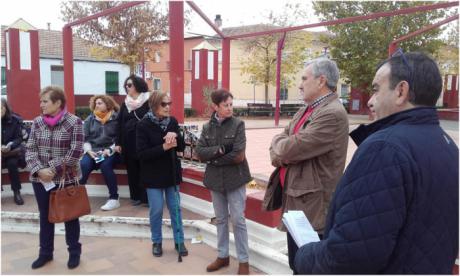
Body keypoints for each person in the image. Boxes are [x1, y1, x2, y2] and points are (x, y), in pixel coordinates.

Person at [293, 51, 459, 274]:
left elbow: (348, 256)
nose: (370, 101)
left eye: (376, 89)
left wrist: (304, 254)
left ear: (401, 91)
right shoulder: (447, 145)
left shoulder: (384, 148)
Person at [269, 57, 349, 273]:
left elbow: (288, 148)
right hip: (297, 203)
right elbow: (283, 143)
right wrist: (281, 148)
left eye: (304, 78)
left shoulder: (331, 113)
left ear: (321, 80)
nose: (300, 84)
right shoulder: (307, 109)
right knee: (297, 264)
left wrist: (281, 149)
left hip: (312, 210)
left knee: (309, 267)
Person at [25, 86, 84, 269]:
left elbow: (75, 152)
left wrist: (51, 168)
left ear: (58, 103)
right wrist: (39, 170)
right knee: (45, 217)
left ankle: (74, 252)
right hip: (41, 180)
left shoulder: (74, 122)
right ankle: (45, 253)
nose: (41, 105)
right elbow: (30, 149)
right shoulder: (37, 122)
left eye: (45, 101)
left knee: (70, 217)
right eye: (41, 101)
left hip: (66, 178)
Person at [195, 89, 252, 275]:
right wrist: (220, 151)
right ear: (215, 106)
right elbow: (200, 153)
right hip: (215, 181)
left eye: (231, 105)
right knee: (220, 220)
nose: (230, 109)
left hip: (235, 179)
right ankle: (223, 256)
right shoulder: (207, 127)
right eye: (225, 105)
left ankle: (244, 261)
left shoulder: (238, 125)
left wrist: (214, 158)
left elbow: (238, 156)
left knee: (238, 220)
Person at [136, 92, 188, 258]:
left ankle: (179, 241)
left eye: (169, 103)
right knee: (156, 210)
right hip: (153, 175)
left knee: (175, 209)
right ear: (154, 105)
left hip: (171, 173)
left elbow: (180, 147)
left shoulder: (172, 121)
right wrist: (163, 147)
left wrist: (176, 136)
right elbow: (141, 154)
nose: (168, 107)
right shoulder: (143, 125)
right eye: (164, 104)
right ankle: (156, 241)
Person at [80, 95, 121, 211]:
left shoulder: (116, 118)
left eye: (100, 103)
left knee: (105, 165)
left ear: (108, 104)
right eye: (96, 103)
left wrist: (110, 150)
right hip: (94, 152)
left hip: (111, 151)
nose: (97, 106)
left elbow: (120, 138)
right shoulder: (90, 119)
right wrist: (89, 151)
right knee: (84, 165)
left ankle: (114, 198)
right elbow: (85, 139)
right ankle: (75, 195)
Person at [115, 74, 150, 206]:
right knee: (132, 170)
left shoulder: (148, 101)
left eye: (130, 85)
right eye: (126, 85)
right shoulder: (125, 103)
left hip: (143, 141)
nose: (127, 87)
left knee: (145, 170)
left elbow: (151, 119)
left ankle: (146, 198)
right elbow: (119, 123)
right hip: (128, 142)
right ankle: (135, 197)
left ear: (138, 85)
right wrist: (118, 142)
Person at [1, 98, 25, 205]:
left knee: (12, 164)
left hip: (10, 152)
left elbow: (19, 138)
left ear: (6, 108)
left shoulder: (14, 120)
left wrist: (10, 145)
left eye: (1, 108)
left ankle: (16, 192)